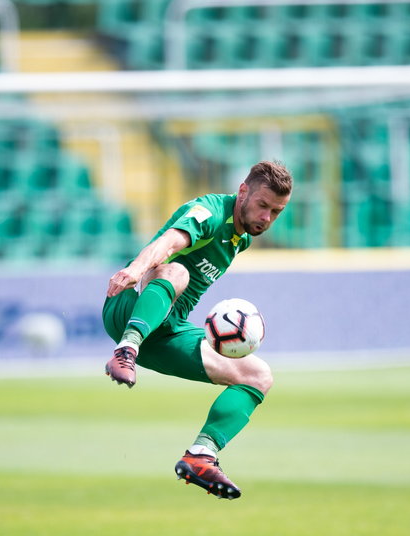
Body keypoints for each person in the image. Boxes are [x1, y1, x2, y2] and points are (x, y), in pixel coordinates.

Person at [103, 160, 292, 500]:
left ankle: (201, 455)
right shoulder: (208, 212)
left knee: (258, 375)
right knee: (177, 273)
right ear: (243, 191)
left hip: (167, 332)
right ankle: (126, 349)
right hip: (129, 308)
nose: (267, 217)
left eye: (276, 212)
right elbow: (170, 244)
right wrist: (136, 268)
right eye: (263, 205)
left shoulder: (241, 237)